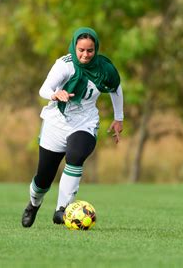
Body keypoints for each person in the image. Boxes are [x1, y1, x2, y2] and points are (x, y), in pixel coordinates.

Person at [21, 27, 124, 227]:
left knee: (76, 156)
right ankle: (33, 204)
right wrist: (55, 94)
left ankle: (63, 210)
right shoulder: (64, 65)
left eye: (90, 50)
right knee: (44, 179)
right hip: (56, 122)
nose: (85, 55)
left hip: (85, 122)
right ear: (74, 47)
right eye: (81, 50)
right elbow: (44, 88)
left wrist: (118, 117)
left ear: (96, 50)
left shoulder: (105, 68)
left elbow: (115, 87)